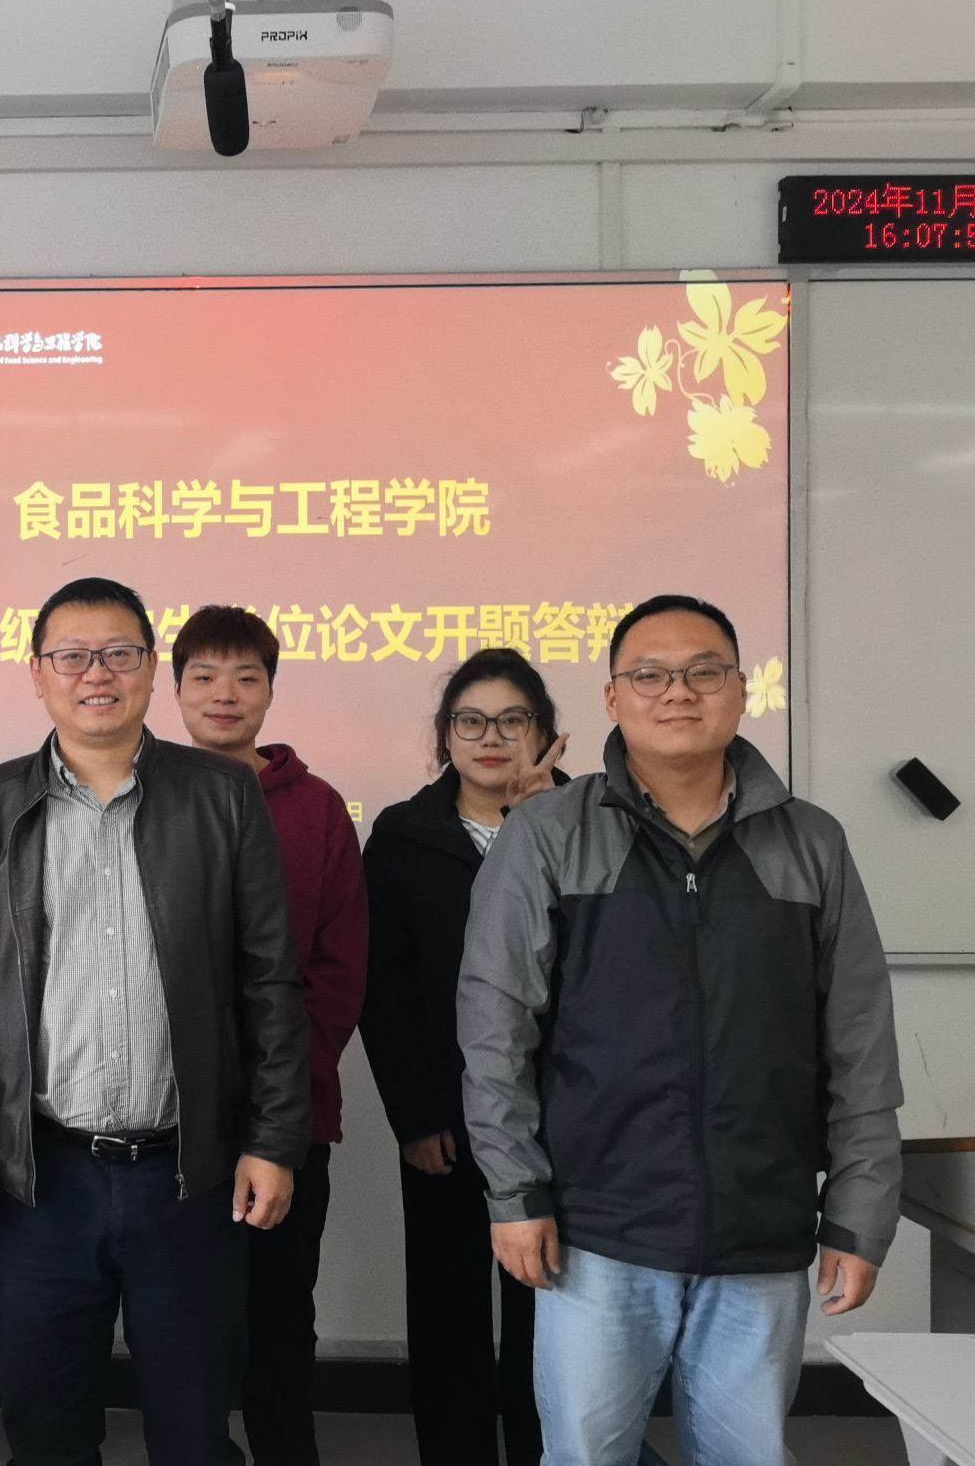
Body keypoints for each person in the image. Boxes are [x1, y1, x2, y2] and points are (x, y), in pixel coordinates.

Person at [459, 595, 902, 1466]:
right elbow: (494, 1028)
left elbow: (860, 1040)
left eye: (705, 672)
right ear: (612, 697)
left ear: (742, 690)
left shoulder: (811, 843)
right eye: (650, 674)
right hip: (597, 1229)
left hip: (761, 1226)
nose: (678, 692)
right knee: (586, 1456)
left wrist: (859, 1213)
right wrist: (515, 1194)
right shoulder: (548, 834)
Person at [0, 576, 311, 1466]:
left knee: (193, 1430)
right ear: (38, 674)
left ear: (149, 668)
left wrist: (274, 1140)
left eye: (119, 654)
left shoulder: (223, 794)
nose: (95, 673)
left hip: (187, 1175)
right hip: (42, 1180)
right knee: (47, 1433)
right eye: (72, 656)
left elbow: (270, 979)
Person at [170, 605, 368, 1466]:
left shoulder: (317, 809)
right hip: (169, 1121)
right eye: (205, 676)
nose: (225, 693)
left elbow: (339, 966)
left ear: (271, 691)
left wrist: (281, 1087)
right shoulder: (144, 795)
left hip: (287, 1115)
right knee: (188, 1320)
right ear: (175, 690)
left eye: (246, 676)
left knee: (282, 1311)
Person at [360, 648, 567, 1466]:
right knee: (447, 1307)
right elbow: (382, 987)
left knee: (550, 1307)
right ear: (445, 735)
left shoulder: (588, 826)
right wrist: (413, 1114)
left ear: (544, 733)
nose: (491, 738)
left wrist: (545, 825)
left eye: (513, 720)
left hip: (563, 1114)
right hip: (444, 1118)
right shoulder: (402, 837)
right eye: (470, 721)